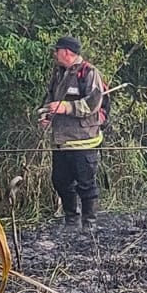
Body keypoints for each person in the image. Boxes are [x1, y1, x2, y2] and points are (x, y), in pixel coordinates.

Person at [39, 36, 106, 235]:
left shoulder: (90, 72)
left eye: (57, 50)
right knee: (60, 181)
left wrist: (67, 107)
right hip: (61, 141)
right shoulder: (58, 73)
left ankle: (89, 224)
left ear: (67, 52)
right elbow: (50, 97)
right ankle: (71, 221)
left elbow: (93, 104)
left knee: (86, 184)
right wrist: (46, 115)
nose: (54, 54)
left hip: (84, 140)